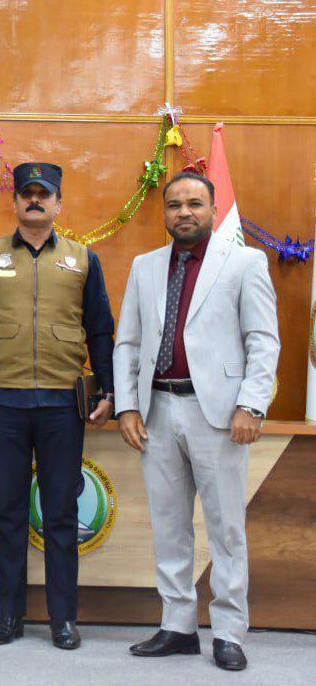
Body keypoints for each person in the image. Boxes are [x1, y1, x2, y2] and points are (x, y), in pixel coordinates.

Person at [113, 171, 279, 672]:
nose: (184, 212)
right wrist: (127, 405)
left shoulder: (245, 262)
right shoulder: (144, 266)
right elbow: (128, 343)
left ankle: (228, 632)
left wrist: (252, 405)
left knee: (226, 529)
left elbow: (262, 339)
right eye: (174, 205)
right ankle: (178, 626)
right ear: (164, 212)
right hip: (158, 411)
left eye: (195, 203)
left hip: (221, 416)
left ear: (213, 210)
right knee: (169, 527)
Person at [0, 161, 115, 650]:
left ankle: (63, 618)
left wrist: (109, 392)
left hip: (62, 403)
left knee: (60, 512)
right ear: (15, 203)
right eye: (27, 193)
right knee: (6, 511)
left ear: (58, 204)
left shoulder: (83, 259)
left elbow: (100, 330)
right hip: (2, 402)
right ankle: (9, 615)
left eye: (44, 194)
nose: (34, 200)